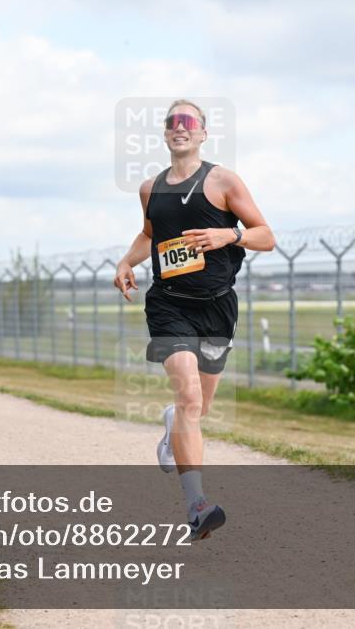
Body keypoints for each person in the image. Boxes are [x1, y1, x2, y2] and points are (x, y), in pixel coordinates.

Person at [114, 99, 275, 541]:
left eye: (188, 122)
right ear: (165, 134)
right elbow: (151, 235)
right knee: (188, 397)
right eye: (172, 122)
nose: (179, 128)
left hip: (217, 306)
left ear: (203, 133)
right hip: (168, 303)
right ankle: (197, 504)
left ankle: (173, 424)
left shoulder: (222, 180)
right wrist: (127, 261)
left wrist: (231, 234)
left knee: (197, 408)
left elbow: (266, 235)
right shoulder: (150, 189)